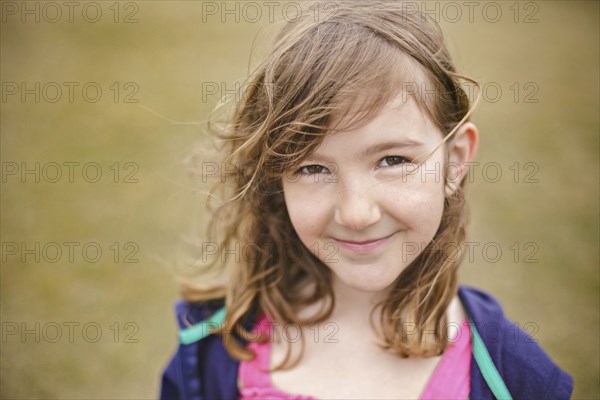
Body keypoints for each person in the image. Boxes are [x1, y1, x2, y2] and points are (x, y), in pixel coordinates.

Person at [161, 2, 573, 399]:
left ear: (455, 161)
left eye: (393, 160)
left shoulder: (516, 378)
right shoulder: (213, 351)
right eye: (312, 168)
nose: (356, 214)